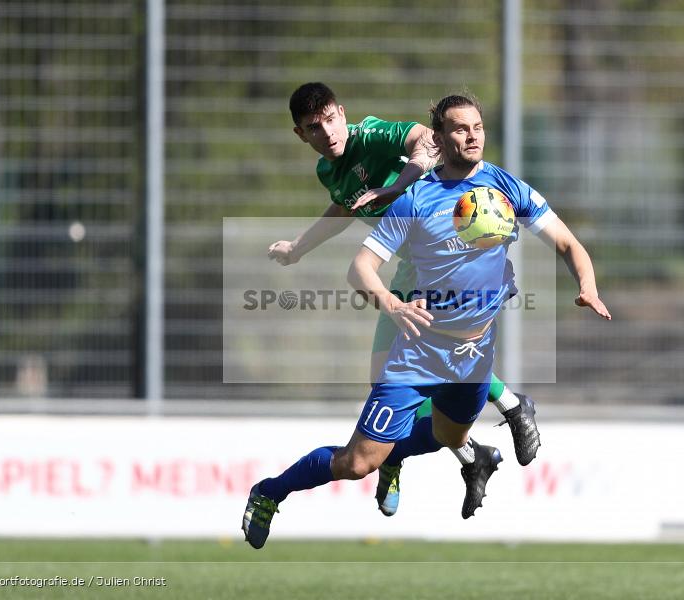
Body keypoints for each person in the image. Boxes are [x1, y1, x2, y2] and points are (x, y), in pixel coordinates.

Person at [242, 93, 611, 549]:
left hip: (475, 354)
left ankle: (479, 442)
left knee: (445, 436)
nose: (472, 135)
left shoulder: (507, 188)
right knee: (357, 463)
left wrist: (588, 286)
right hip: (418, 351)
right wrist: (391, 305)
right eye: (460, 128)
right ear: (441, 137)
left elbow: (567, 243)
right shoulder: (415, 200)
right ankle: (269, 492)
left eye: (477, 127)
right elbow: (359, 267)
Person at [268, 83, 541, 517]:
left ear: (343, 112)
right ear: (301, 134)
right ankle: (472, 456)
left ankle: (507, 406)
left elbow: (423, 143)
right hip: (409, 266)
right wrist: (298, 247)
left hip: (439, 255)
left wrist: (396, 188)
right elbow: (344, 209)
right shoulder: (329, 170)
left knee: (426, 360)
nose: (328, 133)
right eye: (313, 128)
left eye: (331, 120)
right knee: (388, 377)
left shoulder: (372, 134)